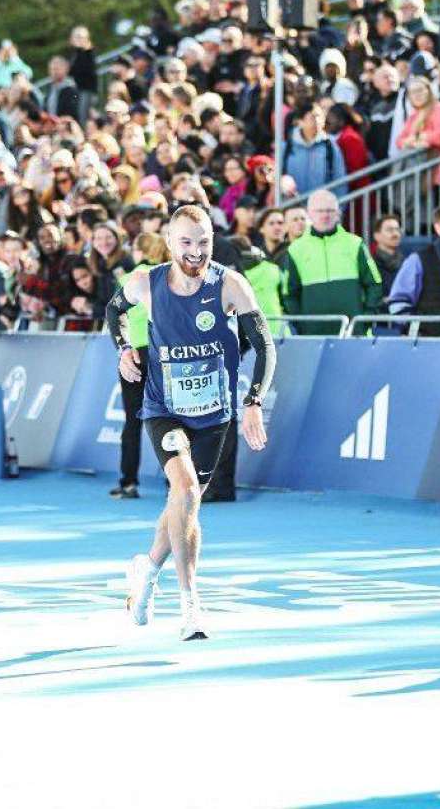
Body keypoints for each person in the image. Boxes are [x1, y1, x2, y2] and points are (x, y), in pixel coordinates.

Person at [107, 204, 276, 640]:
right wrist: (124, 348)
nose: (196, 251)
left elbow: (264, 345)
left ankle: (146, 570)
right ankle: (190, 606)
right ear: (169, 243)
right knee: (183, 489)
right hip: (163, 409)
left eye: (203, 242)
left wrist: (253, 400)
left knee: (185, 506)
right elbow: (113, 312)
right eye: (186, 242)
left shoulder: (230, 284)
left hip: (214, 416)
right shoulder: (146, 281)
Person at [110, 232, 169, 500]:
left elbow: (115, 312)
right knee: (172, 418)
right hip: (164, 352)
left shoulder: (128, 278)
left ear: (138, 250)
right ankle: (176, 482)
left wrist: (123, 347)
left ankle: (128, 482)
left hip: (135, 353)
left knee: (133, 421)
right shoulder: (167, 276)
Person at [282, 190, 382, 336]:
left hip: (354, 334)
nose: (325, 215)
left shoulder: (355, 243)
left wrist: (364, 321)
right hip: (312, 336)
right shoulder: (296, 249)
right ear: (309, 213)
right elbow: (289, 294)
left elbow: (375, 285)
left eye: (330, 210)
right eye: (320, 210)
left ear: (338, 213)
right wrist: (302, 324)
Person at [387, 202, 440, 336]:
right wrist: (420, 328)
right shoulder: (418, 259)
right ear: (437, 228)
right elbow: (397, 304)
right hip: (427, 344)